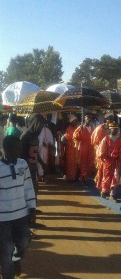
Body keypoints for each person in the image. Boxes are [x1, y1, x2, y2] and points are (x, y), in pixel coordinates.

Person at [0, 136, 36, 279]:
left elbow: (28, 187)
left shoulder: (23, 164)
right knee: (5, 249)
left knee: (23, 241)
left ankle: (16, 259)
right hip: (3, 218)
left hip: (21, 215)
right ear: (7, 149)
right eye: (18, 147)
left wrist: (32, 208)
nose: (21, 149)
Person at [20, 114, 47, 199]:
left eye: (42, 126)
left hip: (33, 167)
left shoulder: (36, 137)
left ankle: (33, 207)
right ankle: (29, 209)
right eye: (40, 125)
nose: (41, 128)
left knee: (34, 188)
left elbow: (36, 152)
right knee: (27, 189)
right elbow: (21, 155)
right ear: (34, 123)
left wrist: (42, 164)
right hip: (26, 168)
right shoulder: (24, 137)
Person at [97, 122, 121, 199]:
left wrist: (118, 156)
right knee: (107, 177)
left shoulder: (119, 140)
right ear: (110, 129)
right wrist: (108, 156)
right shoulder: (105, 139)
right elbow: (102, 152)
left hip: (116, 162)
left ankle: (112, 192)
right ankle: (104, 190)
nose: (115, 130)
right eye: (113, 129)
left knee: (115, 177)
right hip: (107, 162)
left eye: (116, 129)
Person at [91, 114, 114, 189]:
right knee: (100, 169)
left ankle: (106, 185)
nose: (110, 121)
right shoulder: (100, 127)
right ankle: (99, 184)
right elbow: (95, 141)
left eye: (112, 120)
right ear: (105, 119)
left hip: (109, 152)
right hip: (101, 152)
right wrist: (101, 150)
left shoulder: (112, 128)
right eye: (109, 120)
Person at [73, 114, 95, 185]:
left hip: (90, 148)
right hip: (83, 148)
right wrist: (80, 130)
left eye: (90, 118)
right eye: (87, 118)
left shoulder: (92, 128)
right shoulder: (81, 127)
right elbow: (76, 137)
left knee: (89, 163)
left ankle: (85, 176)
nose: (89, 119)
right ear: (85, 119)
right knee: (83, 163)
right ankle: (83, 178)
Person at [61, 115, 78, 181]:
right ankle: (70, 177)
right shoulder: (69, 129)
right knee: (70, 163)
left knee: (75, 163)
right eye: (75, 121)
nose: (76, 122)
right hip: (70, 148)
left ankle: (74, 176)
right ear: (72, 122)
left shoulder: (76, 128)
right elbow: (67, 138)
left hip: (75, 148)